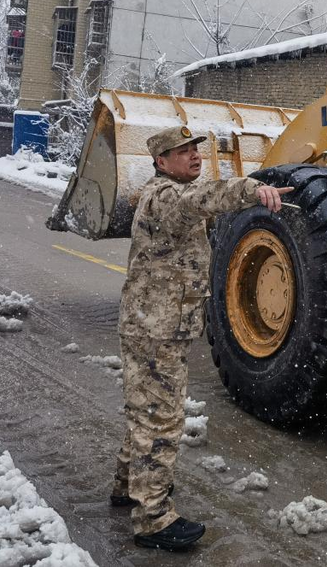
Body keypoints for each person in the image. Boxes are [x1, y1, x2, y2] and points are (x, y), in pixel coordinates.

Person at [111, 125, 291, 552]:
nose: (194, 156)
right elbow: (202, 199)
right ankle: (152, 519)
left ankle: (126, 487)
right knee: (161, 420)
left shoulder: (171, 196)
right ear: (161, 162)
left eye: (196, 149)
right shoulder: (164, 197)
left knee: (147, 411)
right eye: (182, 151)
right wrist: (250, 189)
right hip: (154, 330)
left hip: (158, 325)